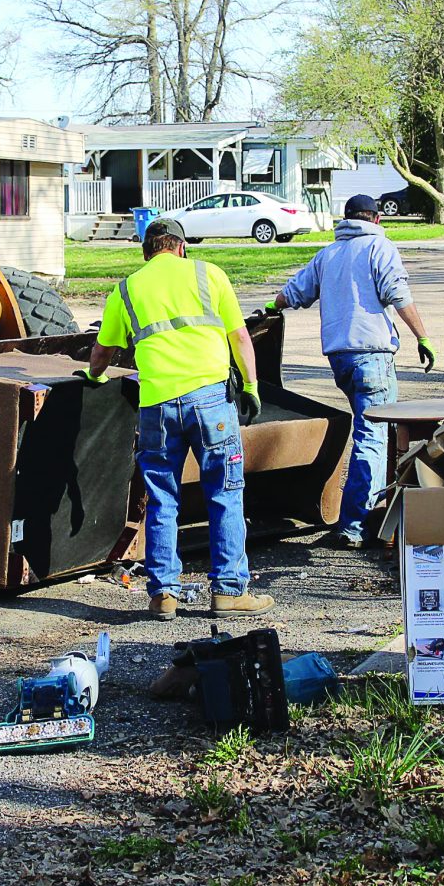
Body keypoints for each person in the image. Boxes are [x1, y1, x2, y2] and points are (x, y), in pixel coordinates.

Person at [83, 217, 275, 621]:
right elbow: (240, 337)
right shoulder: (210, 275)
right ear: (181, 247)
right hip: (210, 401)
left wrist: (93, 376)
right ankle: (228, 592)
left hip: (157, 405)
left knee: (162, 498)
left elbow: (102, 354)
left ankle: (164, 595)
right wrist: (252, 386)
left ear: (146, 251)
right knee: (224, 492)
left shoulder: (127, 289)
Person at [269, 194, 435, 548]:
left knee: (370, 433)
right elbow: (397, 293)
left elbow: (295, 292)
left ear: (346, 219)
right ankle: (356, 525)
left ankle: (374, 512)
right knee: (373, 436)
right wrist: (422, 336)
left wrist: (272, 305)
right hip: (371, 354)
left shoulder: (328, 254)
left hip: (340, 357)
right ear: (375, 219)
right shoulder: (379, 247)